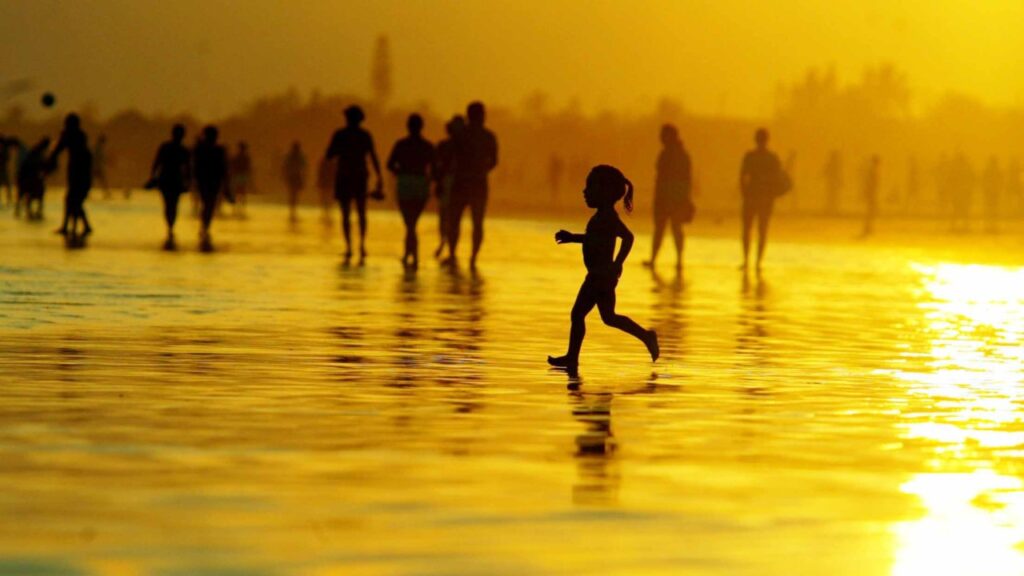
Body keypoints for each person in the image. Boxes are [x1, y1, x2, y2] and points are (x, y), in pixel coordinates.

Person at [547, 165, 660, 377]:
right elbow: (594, 239)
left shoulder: (608, 217)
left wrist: (618, 263)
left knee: (578, 314)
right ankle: (646, 337)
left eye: (590, 188)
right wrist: (573, 238)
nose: (585, 192)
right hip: (599, 275)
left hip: (600, 276)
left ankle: (572, 357)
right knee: (609, 317)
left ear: (605, 192)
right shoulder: (602, 217)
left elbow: (628, 238)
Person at [326, 105, 382, 264]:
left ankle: (349, 247)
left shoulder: (340, 134)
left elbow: (329, 155)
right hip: (359, 176)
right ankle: (361, 245)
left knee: (346, 214)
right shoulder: (365, 135)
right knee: (361, 212)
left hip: (345, 176)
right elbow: (373, 156)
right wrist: (379, 176)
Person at [446, 101, 498, 269]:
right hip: (477, 183)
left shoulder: (461, 134)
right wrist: (481, 171)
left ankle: (453, 254)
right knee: (477, 223)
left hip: (461, 182)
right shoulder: (488, 136)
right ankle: (473, 259)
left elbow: (450, 154)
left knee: (455, 221)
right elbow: (494, 161)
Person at [387, 113, 435, 270]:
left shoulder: (401, 145)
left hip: (406, 184)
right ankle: (411, 255)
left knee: (410, 223)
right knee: (411, 223)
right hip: (420, 184)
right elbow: (436, 169)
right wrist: (429, 179)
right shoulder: (427, 146)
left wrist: (400, 171)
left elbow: (390, 164)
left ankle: (411, 255)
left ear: (408, 126)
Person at [644, 124, 692, 271]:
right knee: (668, 229)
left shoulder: (675, 155)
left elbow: (684, 179)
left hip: (672, 198)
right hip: (669, 197)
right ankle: (671, 261)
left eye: (663, 135)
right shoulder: (673, 154)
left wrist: (684, 199)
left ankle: (673, 260)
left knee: (669, 229)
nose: (661, 138)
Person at [739, 128, 785, 272]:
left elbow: (742, 177)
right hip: (765, 198)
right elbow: (778, 178)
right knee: (762, 231)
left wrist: (744, 193)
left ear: (756, 139)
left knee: (748, 229)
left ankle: (747, 261)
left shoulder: (750, 156)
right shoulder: (772, 158)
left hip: (752, 197)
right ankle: (757, 263)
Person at [49, 113, 93, 237]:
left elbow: (58, 149)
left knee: (72, 200)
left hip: (77, 172)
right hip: (82, 173)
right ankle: (79, 226)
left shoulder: (70, 135)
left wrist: (50, 160)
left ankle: (73, 226)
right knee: (74, 201)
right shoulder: (81, 136)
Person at [149, 124, 191, 249]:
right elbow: (157, 163)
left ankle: (170, 227)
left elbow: (157, 163)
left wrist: (153, 177)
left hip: (169, 180)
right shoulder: (176, 149)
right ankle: (170, 226)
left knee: (170, 204)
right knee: (171, 204)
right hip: (170, 180)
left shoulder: (173, 148)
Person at [193, 125, 229, 251]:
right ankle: (205, 226)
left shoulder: (218, 149)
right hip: (206, 180)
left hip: (212, 181)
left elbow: (224, 168)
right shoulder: (202, 148)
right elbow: (194, 164)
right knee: (207, 204)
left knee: (209, 204)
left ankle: (205, 226)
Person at [433, 115, 463, 258]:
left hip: (456, 184)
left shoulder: (464, 147)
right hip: (448, 183)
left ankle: (450, 249)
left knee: (452, 218)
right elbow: (436, 167)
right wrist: (438, 182)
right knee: (446, 217)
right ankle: (446, 246)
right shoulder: (443, 146)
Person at [16, 138, 49, 220]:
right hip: (28, 177)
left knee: (35, 192)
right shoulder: (37, 153)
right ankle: (30, 211)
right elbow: (36, 165)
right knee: (32, 193)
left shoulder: (38, 152)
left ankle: (34, 211)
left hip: (29, 176)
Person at [282, 141, 307, 222]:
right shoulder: (298, 156)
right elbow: (304, 168)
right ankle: (293, 211)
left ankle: (292, 211)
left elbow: (285, 167)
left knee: (293, 194)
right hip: (295, 177)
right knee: (294, 194)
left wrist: (285, 176)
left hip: (293, 177)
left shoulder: (291, 156)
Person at [229, 141, 253, 218]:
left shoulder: (238, 157)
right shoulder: (244, 157)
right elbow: (248, 168)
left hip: (239, 176)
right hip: (241, 176)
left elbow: (233, 167)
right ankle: (240, 209)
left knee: (239, 192)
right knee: (241, 193)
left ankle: (237, 209)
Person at [860, 155, 881, 237]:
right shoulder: (874, 171)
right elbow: (872, 183)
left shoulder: (872, 170)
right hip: (872, 193)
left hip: (872, 193)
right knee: (871, 211)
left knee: (871, 210)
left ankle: (869, 227)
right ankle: (868, 228)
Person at [982, 156, 1003, 233]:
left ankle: (990, 225)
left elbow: (984, 181)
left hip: (991, 192)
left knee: (990, 208)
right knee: (993, 208)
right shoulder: (997, 170)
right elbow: (1001, 181)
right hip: (993, 192)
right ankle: (992, 225)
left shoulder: (989, 170)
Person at [822, 150, 842, 215]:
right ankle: (831, 209)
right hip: (832, 182)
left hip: (832, 182)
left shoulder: (833, 164)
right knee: (832, 196)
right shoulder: (834, 164)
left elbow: (826, 171)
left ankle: (831, 209)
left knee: (832, 196)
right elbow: (828, 171)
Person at [316, 155, 335, 225]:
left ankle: (326, 211)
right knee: (327, 197)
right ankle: (326, 211)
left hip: (326, 183)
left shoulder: (324, 162)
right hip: (327, 183)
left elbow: (320, 172)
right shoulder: (332, 163)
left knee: (326, 197)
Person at [93, 134, 110, 198]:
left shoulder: (97, 147)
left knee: (101, 181)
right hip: (97, 168)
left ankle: (107, 193)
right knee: (103, 181)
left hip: (95, 168)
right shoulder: (98, 148)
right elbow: (100, 158)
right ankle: (107, 194)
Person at [0, 136, 13, 208]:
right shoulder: (4, 150)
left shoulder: (5, 150)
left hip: (3, 170)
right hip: (2, 170)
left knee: (7, 185)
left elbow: (7, 158)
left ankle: (9, 199)